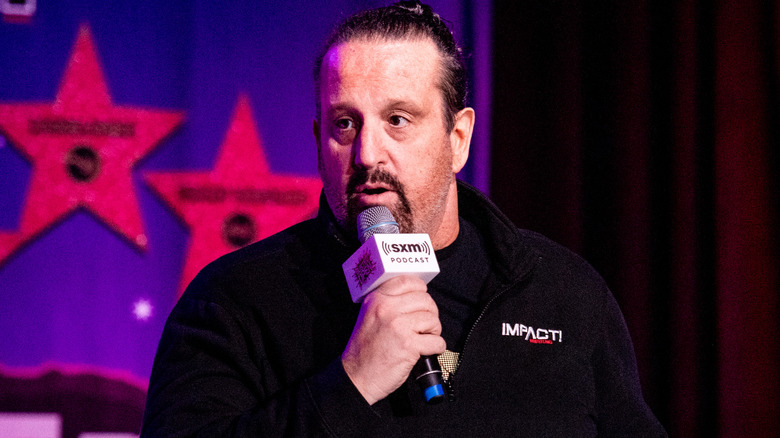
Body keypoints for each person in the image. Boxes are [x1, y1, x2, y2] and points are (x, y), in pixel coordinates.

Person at [141, 1, 667, 436]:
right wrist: (350, 386)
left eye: (398, 120)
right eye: (344, 123)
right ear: (317, 140)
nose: (367, 152)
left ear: (457, 139)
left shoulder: (562, 292)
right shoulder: (234, 301)